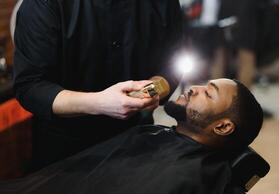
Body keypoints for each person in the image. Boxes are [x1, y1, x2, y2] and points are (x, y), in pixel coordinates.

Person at [0, 78, 263, 194]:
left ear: (223, 126)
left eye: (209, 92)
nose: (195, 87)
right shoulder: (152, 133)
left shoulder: (192, 179)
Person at [12, 0, 183, 170]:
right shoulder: (44, 4)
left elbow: (174, 66)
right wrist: (99, 103)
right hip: (66, 157)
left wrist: (150, 91)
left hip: (137, 143)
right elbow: (30, 86)